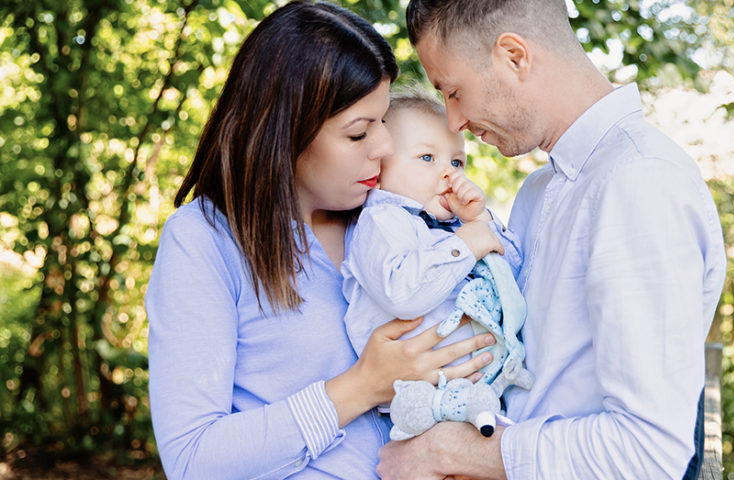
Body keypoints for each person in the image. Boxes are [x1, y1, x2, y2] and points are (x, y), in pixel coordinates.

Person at [376, 1, 727, 479]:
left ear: (515, 56)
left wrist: (449, 452)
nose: (453, 121)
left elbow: (649, 453)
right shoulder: (538, 192)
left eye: (454, 91)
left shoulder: (640, 182)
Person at [145, 2, 494, 479]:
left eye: (384, 124)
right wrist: (363, 386)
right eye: (358, 133)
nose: (384, 148)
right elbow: (193, 459)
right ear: (287, 131)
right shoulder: (204, 241)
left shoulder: (389, 220)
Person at [342, 89, 522, 372]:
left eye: (456, 162)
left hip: (479, 382)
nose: (448, 173)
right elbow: (400, 292)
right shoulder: (382, 221)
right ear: (379, 167)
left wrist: (481, 221)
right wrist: (464, 246)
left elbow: (516, 278)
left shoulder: (458, 226)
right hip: (421, 392)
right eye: (427, 157)